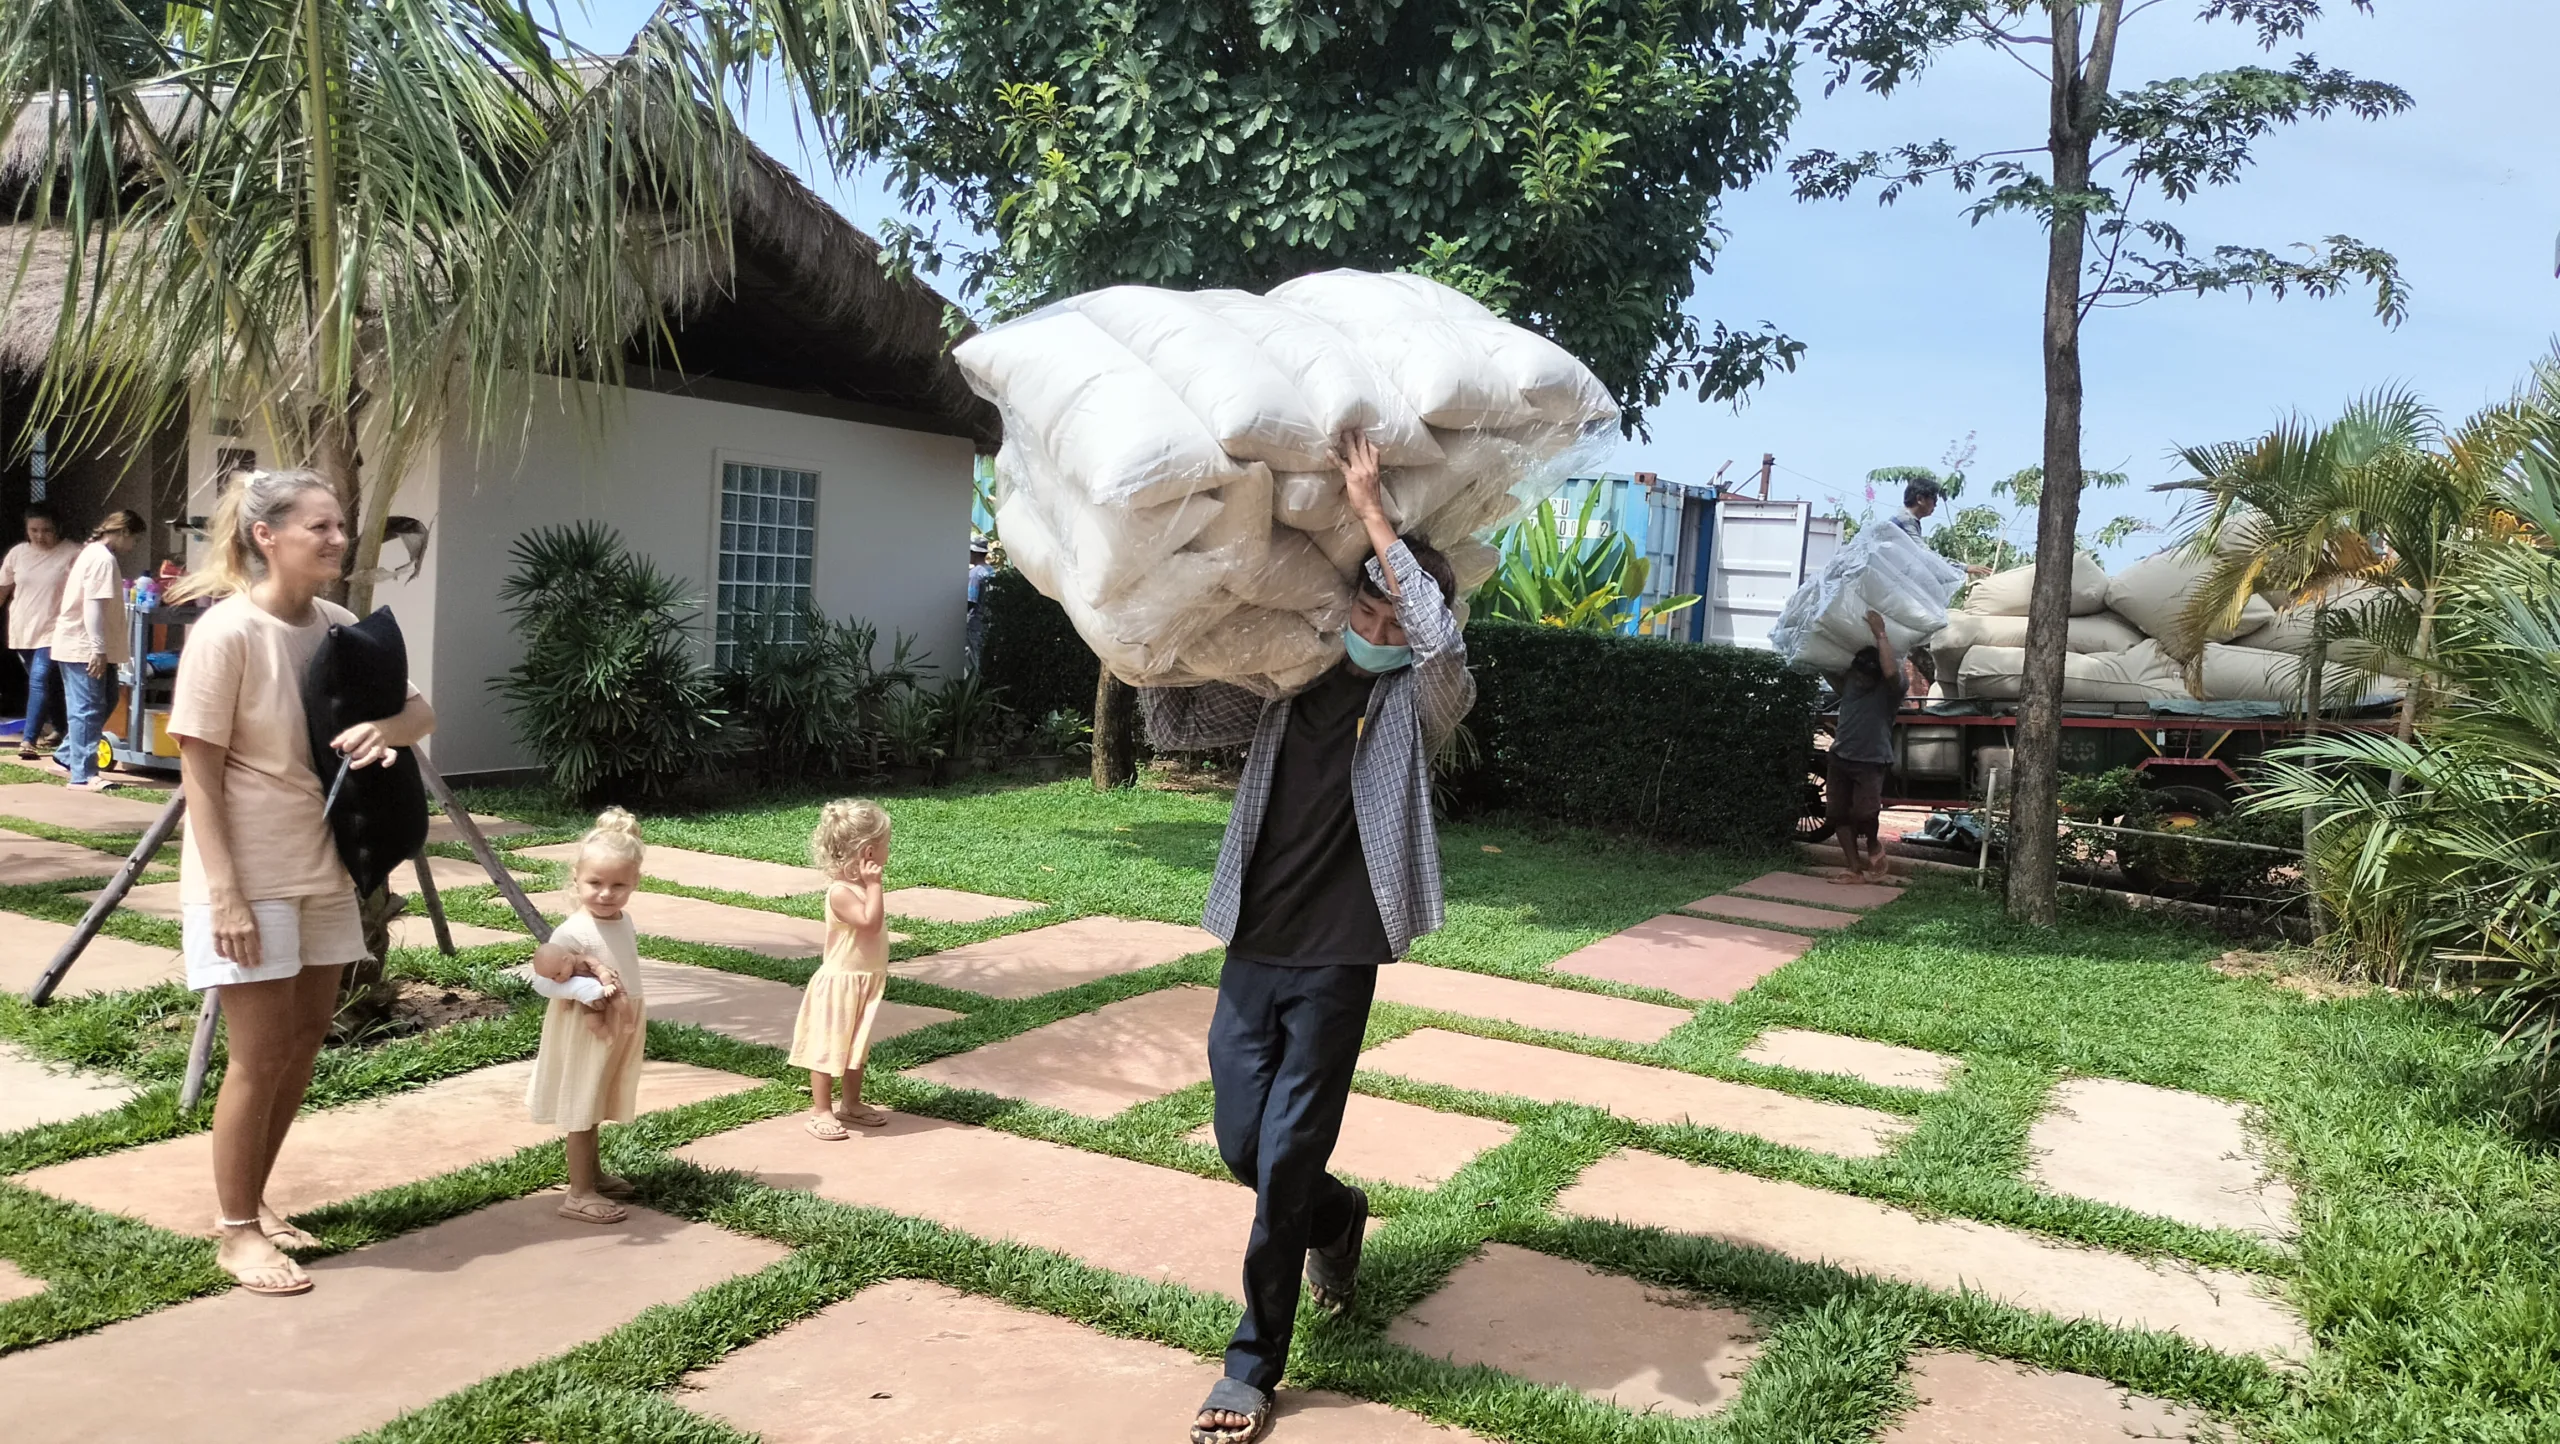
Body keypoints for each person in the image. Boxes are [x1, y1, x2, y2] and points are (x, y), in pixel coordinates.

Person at [1140, 429, 1475, 1444]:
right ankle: (1336, 1217)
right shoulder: (1286, 680)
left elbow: (1438, 640)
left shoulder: (1418, 699)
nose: (1376, 614)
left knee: (1283, 1152)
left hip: (1339, 949)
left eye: (1393, 600)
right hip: (1254, 940)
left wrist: (1376, 514)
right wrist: (1161, 619)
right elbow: (1174, 723)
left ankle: (1252, 1362)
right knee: (1243, 1141)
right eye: (1365, 595)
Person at [165, 470, 435, 1296]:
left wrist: (379, 730)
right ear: (265, 536)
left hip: (326, 869)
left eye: (339, 526)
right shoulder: (228, 635)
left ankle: (256, 1200)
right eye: (318, 526)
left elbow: (419, 712)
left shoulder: (340, 626)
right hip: (251, 874)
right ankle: (236, 1230)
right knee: (257, 1055)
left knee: (307, 1036)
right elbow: (198, 779)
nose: (337, 539)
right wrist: (226, 897)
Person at [523, 808, 652, 1225]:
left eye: (619, 884)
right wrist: (586, 992)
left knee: (597, 1099)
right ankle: (578, 1193)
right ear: (576, 878)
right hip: (585, 1028)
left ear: (635, 882)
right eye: (595, 883)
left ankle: (593, 1175)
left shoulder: (623, 920)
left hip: (618, 1024)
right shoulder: (570, 933)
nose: (606, 893)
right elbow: (545, 982)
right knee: (582, 1105)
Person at [789, 798, 895, 1139]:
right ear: (868, 852)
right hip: (840, 984)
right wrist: (875, 886)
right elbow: (869, 924)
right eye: (885, 847)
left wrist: (871, 886)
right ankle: (821, 1110)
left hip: (864, 980)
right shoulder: (841, 892)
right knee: (829, 1046)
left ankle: (851, 1103)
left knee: (855, 1047)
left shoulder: (860, 887)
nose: (888, 852)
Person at [49, 509, 146, 790]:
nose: (133, 547)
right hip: (84, 647)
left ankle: (67, 755)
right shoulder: (101, 558)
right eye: (135, 540)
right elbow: (93, 604)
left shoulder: (94, 554)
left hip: (86, 645)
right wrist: (98, 649)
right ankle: (83, 774)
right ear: (125, 532)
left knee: (106, 699)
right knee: (87, 709)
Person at [1828, 609, 1905, 883]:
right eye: (1857, 673)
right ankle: (1854, 869)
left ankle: (1873, 843)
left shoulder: (1891, 689)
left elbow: (1891, 671)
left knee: (1865, 812)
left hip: (1871, 760)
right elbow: (1826, 666)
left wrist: (1880, 633)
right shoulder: (1850, 681)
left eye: (1865, 676)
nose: (1859, 680)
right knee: (1837, 814)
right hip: (1840, 757)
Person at [0, 503, 73, 760]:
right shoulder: (18, 554)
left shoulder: (72, 553)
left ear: (58, 528)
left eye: (46, 530)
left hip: (55, 629)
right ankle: (62, 729)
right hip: (23, 628)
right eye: (34, 530)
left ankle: (28, 739)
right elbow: (4, 588)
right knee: (48, 683)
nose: (40, 536)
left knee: (39, 679)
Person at [964, 539, 994, 671]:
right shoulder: (990, 571)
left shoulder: (974, 574)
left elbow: (970, 601)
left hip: (974, 623)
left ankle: (972, 689)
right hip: (987, 622)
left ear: (975, 553)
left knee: (971, 661)